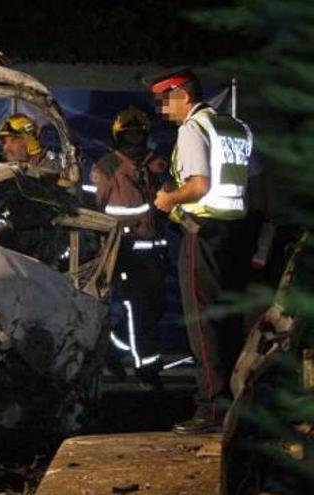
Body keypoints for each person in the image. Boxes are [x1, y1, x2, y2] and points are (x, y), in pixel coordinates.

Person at [149, 68, 254, 434]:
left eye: (164, 100)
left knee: (203, 322)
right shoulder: (234, 127)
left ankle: (211, 409)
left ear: (182, 94)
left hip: (204, 235)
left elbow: (199, 185)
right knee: (230, 322)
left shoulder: (193, 128)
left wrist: (167, 199)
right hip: (237, 235)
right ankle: (239, 404)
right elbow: (250, 184)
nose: (163, 109)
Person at [90, 106, 168, 388]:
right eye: (129, 137)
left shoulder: (156, 165)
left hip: (155, 249)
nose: (135, 142)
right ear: (118, 138)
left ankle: (111, 350)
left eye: (139, 136)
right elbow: (94, 212)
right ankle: (148, 370)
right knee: (138, 311)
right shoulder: (106, 168)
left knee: (153, 310)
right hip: (125, 250)